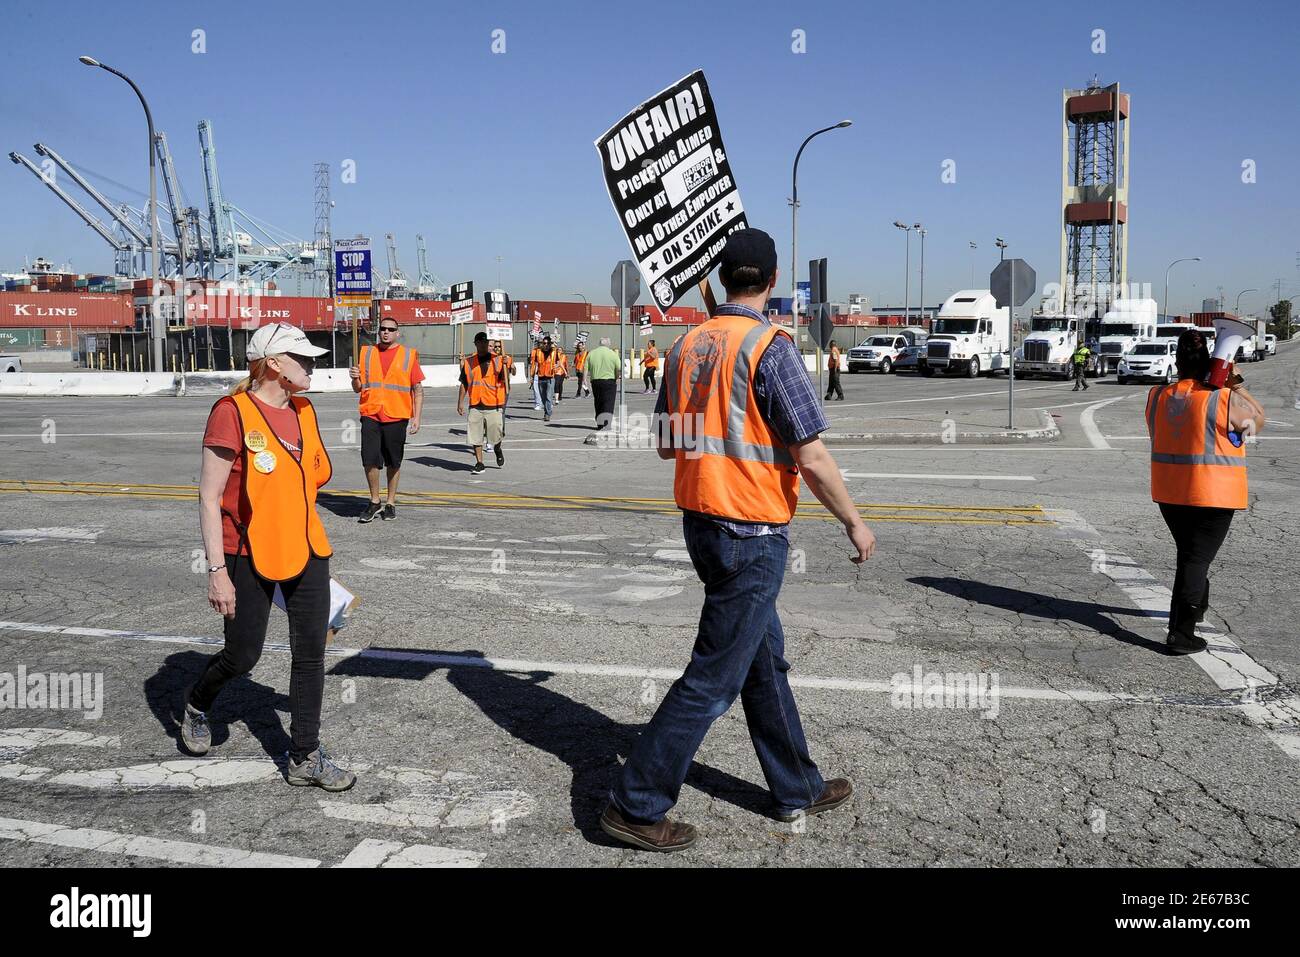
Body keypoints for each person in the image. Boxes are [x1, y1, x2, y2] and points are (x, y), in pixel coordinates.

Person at [600, 228, 876, 852]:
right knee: (713, 678)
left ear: (725, 278)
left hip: (702, 525)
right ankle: (635, 802)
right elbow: (810, 454)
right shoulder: (771, 348)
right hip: (751, 533)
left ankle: (795, 785)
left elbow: (670, 442)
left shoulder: (688, 343)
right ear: (772, 281)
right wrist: (854, 522)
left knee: (762, 661)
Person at [192, 322, 355, 791]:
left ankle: (304, 754)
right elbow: (208, 497)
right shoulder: (231, 412)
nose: (312, 365)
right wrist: (217, 572)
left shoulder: (305, 411)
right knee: (243, 656)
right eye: (302, 358)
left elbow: (314, 475)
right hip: (245, 551)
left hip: (306, 547)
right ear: (274, 364)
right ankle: (198, 702)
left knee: (310, 653)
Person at [1147, 329, 1265, 655]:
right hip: (1212, 495)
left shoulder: (1157, 396)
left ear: (1177, 361)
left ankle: (1195, 609)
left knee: (1191, 556)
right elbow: (1257, 422)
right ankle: (1180, 634)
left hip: (1170, 494)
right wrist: (1234, 383)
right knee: (1194, 560)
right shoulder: (1221, 399)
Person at [349, 318, 424, 523]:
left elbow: (418, 390)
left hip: (396, 414)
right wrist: (354, 377)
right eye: (382, 329)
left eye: (391, 330)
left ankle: (390, 502)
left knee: (393, 461)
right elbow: (358, 388)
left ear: (397, 333)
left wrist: (416, 418)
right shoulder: (367, 353)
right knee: (369, 460)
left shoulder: (408, 355)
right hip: (371, 412)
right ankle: (375, 501)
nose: (386, 332)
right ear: (378, 331)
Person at [458, 331, 509, 474]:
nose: (483, 344)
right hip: (475, 404)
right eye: (479, 342)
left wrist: (508, 366)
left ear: (488, 344)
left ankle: (497, 448)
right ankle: (479, 462)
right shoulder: (468, 362)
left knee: (496, 434)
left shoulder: (498, 359)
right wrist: (460, 402)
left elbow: (507, 377)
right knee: (476, 435)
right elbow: (464, 383)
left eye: (485, 342)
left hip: (494, 403)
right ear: (475, 344)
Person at [585, 336, 620, 430]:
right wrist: (616, 377)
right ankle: (606, 423)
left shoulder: (591, 353)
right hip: (609, 381)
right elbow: (618, 368)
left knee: (598, 401)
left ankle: (599, 423)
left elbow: (585, 368)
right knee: (608, 402)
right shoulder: (612, 354)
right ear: (608, 344)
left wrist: (585, 380)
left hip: (595, 381)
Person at [530, 335, 559, 421]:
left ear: (550, 344)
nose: (545, 345)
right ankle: (546, 410)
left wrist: (556, 367)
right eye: (544, 343)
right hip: (541, 377)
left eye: (547, 343)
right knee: (543, 397)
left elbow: (558, 363)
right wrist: (532, 376)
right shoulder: (538, 352)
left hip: (550, 377)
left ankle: (547, 413)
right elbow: (534, 365)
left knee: (548, 397)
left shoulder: (554, 352)